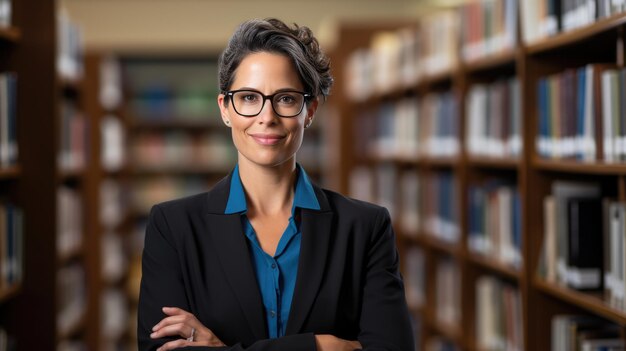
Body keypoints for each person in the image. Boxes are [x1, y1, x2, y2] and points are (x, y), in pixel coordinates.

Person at [138, 18, 415, 351]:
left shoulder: (365, 228)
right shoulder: (174, 228)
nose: (266, 116)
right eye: (249, 98)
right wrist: (320, 346)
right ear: (225, 109)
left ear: (309, 110)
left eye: (285, 99)